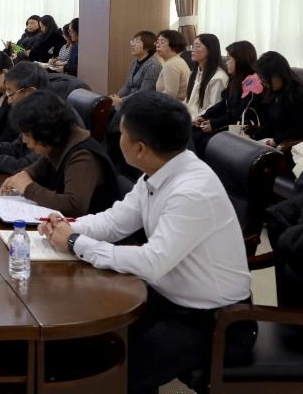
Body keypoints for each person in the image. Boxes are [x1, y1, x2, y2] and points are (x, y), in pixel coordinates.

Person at [39, 91, 254, 394]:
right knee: (81, 345)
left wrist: (75, 242)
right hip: (164, 300)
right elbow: (115, 222)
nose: (117, 139)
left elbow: (152, 262)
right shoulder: (160, 170)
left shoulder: (191, 191)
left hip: (213, 321)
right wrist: (66, 226)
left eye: (122, 134)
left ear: (140, 148)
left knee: (107, 374)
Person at [0, 90, 122, 217]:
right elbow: (38, 169)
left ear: (44, 131)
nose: (24, 140)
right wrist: (25, 174)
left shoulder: (83, 156)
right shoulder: (58, 143)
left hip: (89, 227)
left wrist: (28, 188)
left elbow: (73, 206)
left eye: (27, 135)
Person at [192, 40, 262, 156]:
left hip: (241, 128)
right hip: (227, 123)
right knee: (192, 132)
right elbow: (222, 104)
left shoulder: (252, 82)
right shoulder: (234, 78)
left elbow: (240, 113)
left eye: (229, 59)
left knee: (200, 140)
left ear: (239, 60)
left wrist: (214, 124)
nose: (226, 63)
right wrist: (204, 116)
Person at [253, 51, 303, 149]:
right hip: (277, 141)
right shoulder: (275, 91)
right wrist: (254, 136)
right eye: (261, 77)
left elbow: (300, 128)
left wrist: (276, 141)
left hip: (299, 146)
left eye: (265, 77)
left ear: (279, 74)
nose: (263, 81)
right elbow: (272, 122)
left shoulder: (301, 94)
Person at [183, 33, 229, 120]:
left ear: (209, 50)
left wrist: (194, 119)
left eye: (197, 46)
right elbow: (188, 101)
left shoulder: (218, 77)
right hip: (189, 119)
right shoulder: (194, 73)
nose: (192, 50)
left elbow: (214, 108)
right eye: (193, 46)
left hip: (202, 122)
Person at [110, 31, 161, 107]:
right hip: (128, 101)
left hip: (141, 104)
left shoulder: (153, 66)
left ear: (148, 47)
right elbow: (127, 85)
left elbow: (143, 93)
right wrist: (116, 97)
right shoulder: (134, 62)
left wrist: (121, 101)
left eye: (138, 42)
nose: (132, 44)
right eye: (133, 41)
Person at [154, 29, 191, 101]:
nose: (157, 45)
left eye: (162, 42)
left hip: (173, 106)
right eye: (157, 42)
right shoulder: (175, 60)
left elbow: (169, 95)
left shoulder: (172, 64)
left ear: (174, 45)